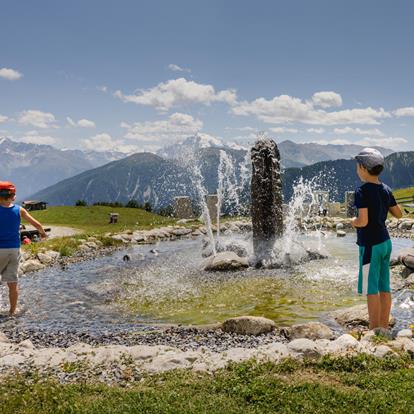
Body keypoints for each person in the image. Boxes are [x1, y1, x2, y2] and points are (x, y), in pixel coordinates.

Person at [351, 148, 402, 333]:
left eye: (358, 166)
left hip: (370, 245)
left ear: (363, 168)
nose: (357, 169)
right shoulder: (386, 189)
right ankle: (384, 326)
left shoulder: (361, 191)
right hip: (385, 243)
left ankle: (373, 330)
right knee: (384, 284)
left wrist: (353, 222)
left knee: (371, 288)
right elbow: (398, 213)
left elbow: (363, 220)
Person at [0, 181, 47, 316]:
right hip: (14, 250)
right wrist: (43, 233)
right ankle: (12, 312)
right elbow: (36, 224)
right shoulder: (19, 209)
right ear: (13, 196)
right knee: (12, 284)